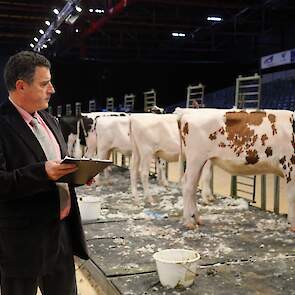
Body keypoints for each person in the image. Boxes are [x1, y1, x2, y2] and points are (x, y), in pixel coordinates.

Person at [0, 51, 89, 294]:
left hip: (61, 232)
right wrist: (42, 173)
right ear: (21, 86)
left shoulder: (50, 120)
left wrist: (79, 174)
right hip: (22, 241)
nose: (52, 89)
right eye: (44, 83)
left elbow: (57, 170)